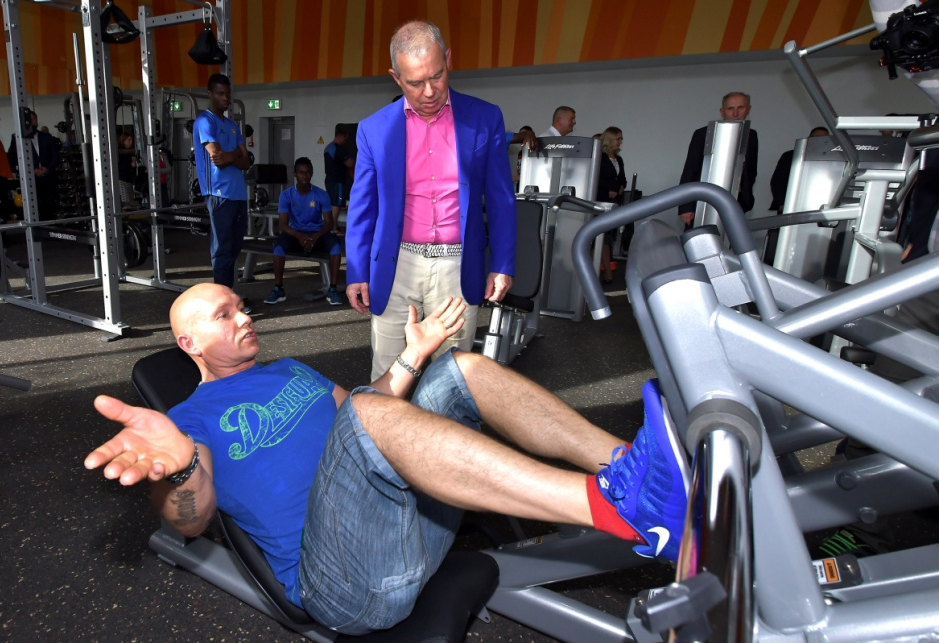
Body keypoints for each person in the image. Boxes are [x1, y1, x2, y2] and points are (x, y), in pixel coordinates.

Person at [85, 282, 690, 636]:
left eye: (242, 306)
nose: (245, 317)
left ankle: (641, 470)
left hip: (408, 524)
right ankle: (617, 509)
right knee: (366, 416)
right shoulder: (187, 421)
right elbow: (190, 521)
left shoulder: (288, 369)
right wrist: (181, 467)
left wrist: (414, 356)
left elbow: (371, 410)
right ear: (188, 342)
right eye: (225, 315)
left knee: (462, 369)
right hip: (346, 584)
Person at [345, 21, 516, 380]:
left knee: (451, 378)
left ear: (448, 60)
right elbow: (362, 208)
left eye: (437, 76)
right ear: (395, 78)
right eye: (415, 82)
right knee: (388, 373)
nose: (429, 91)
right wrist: (357, 270)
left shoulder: (485, 119)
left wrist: (502, 263)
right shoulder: (373, 129)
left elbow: (501, 198)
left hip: (458, 265)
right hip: (396, 265)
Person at [194, 73, 252, 291]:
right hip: (219, 193)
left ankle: (229, 296)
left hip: (238, 194)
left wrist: (231, 157)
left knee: (235, 247)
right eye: (220, 93)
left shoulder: (232, 125)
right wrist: (234, 154)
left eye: (227, 94)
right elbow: (218, 158)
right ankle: (223, 300)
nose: (225, 98)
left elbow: (246, 162)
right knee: (222, 250)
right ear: (209, 94)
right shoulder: (204, 121)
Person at [264, 157, 343, 306]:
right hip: (295, 234)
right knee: (278, 246)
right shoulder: (286, 195)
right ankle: (278, 289)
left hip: (317, 234)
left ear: (312, 173)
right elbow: (283, 225)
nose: (305, 176)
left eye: (307, 172)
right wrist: (300, 236)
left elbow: (329, 223)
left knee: (336, 245)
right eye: (301, 172)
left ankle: (332, 289)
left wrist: (315, 237)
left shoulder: (321, 194)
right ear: (295, 174)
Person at [678, 92, 758, 229]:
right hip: (702, 202)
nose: (735, 113)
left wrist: (746, 200)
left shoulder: (751, 135)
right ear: (722, 111)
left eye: (740, 108)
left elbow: (751, 170)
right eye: (730, 108)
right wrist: (686, 206)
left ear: (748, 109)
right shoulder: (703, 134)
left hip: (737, 202)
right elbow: (690, 170)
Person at [7, 109, 60, 220]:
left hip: (48, 179)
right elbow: (13, 159)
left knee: (50, 209)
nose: (32, 122)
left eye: (33, 119)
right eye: (29, 120)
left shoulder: (46, 137)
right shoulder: (17, 138)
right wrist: (31, 170)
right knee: (34, 210)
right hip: (30, 181)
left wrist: (47, 169)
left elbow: (55, 156)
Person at [769, 126, 829, 214]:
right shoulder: (791, 156)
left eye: (824, 139)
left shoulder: (833, 160)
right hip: (791, 206)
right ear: (809, 139)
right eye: (817, 138)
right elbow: (778, 181)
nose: (820, 141)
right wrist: (782, 204)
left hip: (820, 207)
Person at [596, 127, 627, 284]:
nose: (620, 142)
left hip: (614, 203)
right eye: (617, 138)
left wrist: (620, 188)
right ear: (609, 139)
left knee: (609, 237)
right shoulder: (600, 158)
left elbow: (623, 180)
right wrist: (613, 188)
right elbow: (597, 178)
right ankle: (606, 271)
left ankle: (602, 269)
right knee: (603, 237)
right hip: (601, 202)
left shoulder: (618, 159)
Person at [323, 124, 354, 221]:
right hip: (337, 181)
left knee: (333, 203)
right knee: (337, 204)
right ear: (340, 136)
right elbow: (350, 163)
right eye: (345, 139)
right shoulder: (338, 149)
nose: (345, 142)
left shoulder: (328, 147)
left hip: (329, 180)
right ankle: (333, 226)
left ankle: (331, 225)